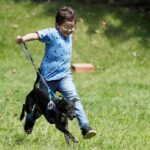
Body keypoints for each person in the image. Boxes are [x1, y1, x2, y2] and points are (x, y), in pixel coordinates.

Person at [16, 6, 96, 139]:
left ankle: (85, 127)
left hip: (65, 77)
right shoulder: (52, 33)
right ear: (57, 25)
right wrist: (23, 38)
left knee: (74, 99)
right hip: (47, 80)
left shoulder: (68, 35)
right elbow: (36, 35)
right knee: (44, 108)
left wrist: (69, 30)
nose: (69, 31)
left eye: (72, 28)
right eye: (66, 27)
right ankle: (31, 117)